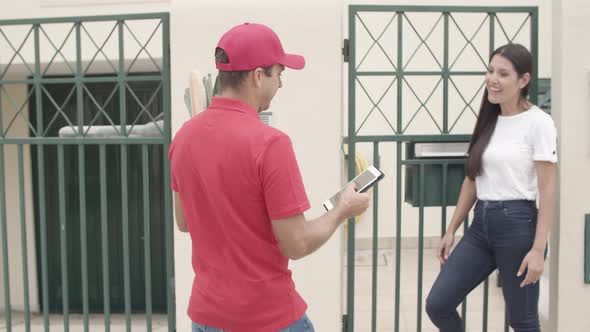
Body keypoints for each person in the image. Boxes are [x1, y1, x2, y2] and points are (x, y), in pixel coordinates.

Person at [169, 23, 370, 332]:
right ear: (257, 76)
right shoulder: (271, 144)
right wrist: (343, 208)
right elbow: (297, 244)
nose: (280, 84)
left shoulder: (183, 138)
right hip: (266, 317)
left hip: (207, 317)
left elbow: (184, 222)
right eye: (278, 74)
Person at [425, 43, 557, 332]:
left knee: (522, 321)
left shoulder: (539, 123)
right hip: (481, 227)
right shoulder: (490, 119)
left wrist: (538, 249)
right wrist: (451, 229)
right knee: (438, 304)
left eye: (503, 74)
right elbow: (472, 180)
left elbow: (547, 189)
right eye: (490, 71)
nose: (492, 79)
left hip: (518, 227)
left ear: (523, 80)